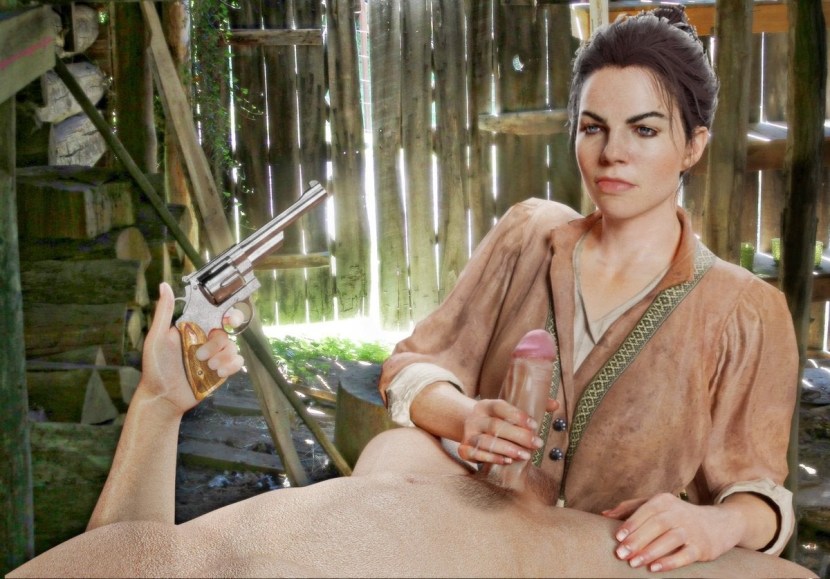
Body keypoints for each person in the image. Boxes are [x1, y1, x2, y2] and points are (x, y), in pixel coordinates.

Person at [378, 5, 799, 574]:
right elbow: (411, 369)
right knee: (390, 460)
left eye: (644, 130)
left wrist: (718, 522)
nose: (612, 154)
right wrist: (466, 417)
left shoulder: (744, 308)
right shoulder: (528, 235)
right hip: (478, 544)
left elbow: (760, 494)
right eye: (593, 127)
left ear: (693, 145)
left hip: (614, 563)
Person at [8, 291, 814, 577]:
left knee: (398, 452)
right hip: (511, 546)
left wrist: (158, 406)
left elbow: (130, 558)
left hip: (416, 497)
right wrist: (728, 524)